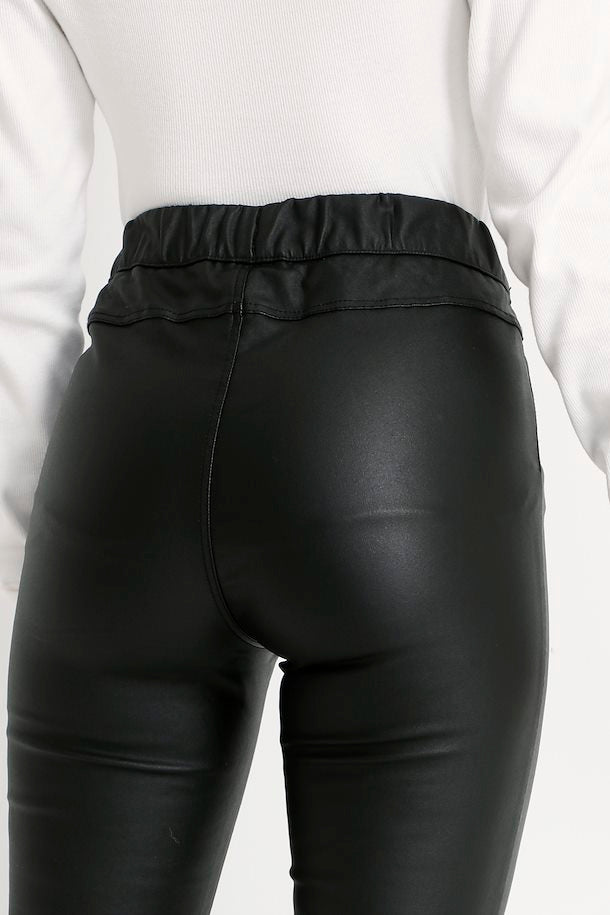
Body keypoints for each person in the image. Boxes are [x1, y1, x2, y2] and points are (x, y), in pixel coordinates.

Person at [1, 1, 608, 913]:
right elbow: (570, 180)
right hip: (398, 409)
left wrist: (44, 562)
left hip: (130, 440)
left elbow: (13, 269)